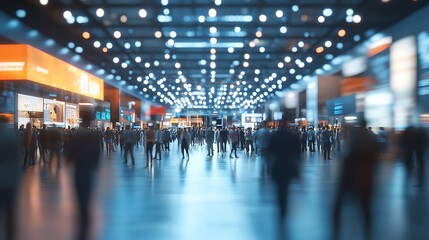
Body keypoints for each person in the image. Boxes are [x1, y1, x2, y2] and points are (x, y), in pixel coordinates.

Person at [332, 122, 379, 240]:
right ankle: (368, 231)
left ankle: (335, 230)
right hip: (365, 179)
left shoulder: (352, 153)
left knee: (338, 205)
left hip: (352, 178)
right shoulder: (370, 142)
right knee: (365, 208)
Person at [67, 120, 101, 240]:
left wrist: (69, 161)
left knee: (80, 197)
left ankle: (82, 221)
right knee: (86, 197)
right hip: (88, 171)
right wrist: (94, 165)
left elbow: (69, 154)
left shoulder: (77, 136)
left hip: (78, 170)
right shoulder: (93, 137)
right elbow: (97, 153)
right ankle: (86, 222)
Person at [267, 120, 301, 221]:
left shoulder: (274, 135)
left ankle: (281, 207)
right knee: (286, 187)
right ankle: (284, 208)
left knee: (279, 188)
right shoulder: (292, 136)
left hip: (277, 165)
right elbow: (297, 153)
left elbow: (270, 151)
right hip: (288, 165)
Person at [0, 116, 22, 240]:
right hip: (10, 180)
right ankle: (10, 235)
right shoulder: (13, 137)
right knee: (10, 211)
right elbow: (17, 158)